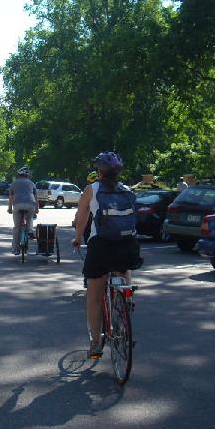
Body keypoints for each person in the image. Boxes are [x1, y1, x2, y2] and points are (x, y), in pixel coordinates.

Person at [72, 152, 142, 359]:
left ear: (98, 171)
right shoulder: (127, 191)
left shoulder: (91, 189)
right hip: (127, 245)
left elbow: (81, 219)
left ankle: (95, 344)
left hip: (101, 245)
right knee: (124, 268)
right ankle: (126, 300)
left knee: (93, 296)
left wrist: (77, 238)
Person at [8, 166, 38, 255]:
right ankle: (29, 231)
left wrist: (10, 208)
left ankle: (16, 249)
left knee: (16, 227)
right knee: (29, 219)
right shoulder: (32, 183)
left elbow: (11, 197)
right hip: (30, 204)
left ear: (18, 175)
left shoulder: (14, 183)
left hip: (17, 204)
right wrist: (36, 209)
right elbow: (36, 197)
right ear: (27, 175)